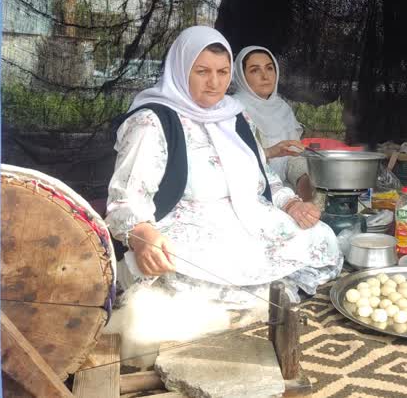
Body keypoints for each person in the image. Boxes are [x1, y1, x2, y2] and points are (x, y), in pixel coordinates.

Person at [105, 26, 342, 306]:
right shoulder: (152, 122)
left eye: (223, 71)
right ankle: (254, 294)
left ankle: (258, 293)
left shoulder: (235, 116)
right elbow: (126, 198)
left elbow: (263, 175)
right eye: (202, 71)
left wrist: (292, 205)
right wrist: (142, 235)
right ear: (180, 70)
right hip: (191, 226)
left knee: (321, 238)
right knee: (190, 263)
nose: (214, 83)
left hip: (250, 215)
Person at [233, 46, 314, 201]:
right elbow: (237, 163)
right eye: (255, 70)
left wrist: (303, 181)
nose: (265, 76)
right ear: (241, 76)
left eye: (269, 68)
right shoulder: (233, 110)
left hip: (285, 192)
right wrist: (270, 152)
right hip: (250, 194)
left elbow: (293, 157)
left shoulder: (282, 108)